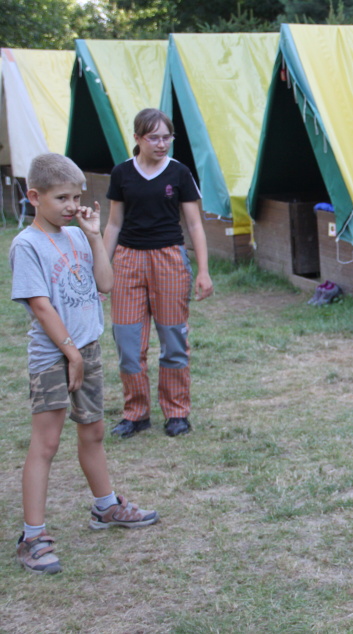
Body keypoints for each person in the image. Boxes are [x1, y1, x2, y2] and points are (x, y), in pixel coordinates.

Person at [10, 154, 159, 574]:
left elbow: (105, 284)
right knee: (46, 444)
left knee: (93, 432)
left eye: (76, 197)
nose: (72, 206)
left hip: (86, 350)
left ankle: (105, 507)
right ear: (34, 196)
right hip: (54, 356)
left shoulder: (77, 235)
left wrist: (94, 238)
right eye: (62, 198)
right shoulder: (27, 245)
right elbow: (41, 306)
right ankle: (32, 537)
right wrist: (71, 354)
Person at [104, 108, 213, 438]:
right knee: (128, 343)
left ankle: (177, 413)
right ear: (137, 138)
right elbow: (113, 224)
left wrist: (204, 271)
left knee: (173, 340)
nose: (162, 144)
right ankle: (136, 413)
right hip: (128, 261)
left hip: (169, 260)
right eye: (154, 138)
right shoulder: (122, 173)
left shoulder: (179, 173)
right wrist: (102, 270)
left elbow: (194, 224)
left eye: (167, 137)